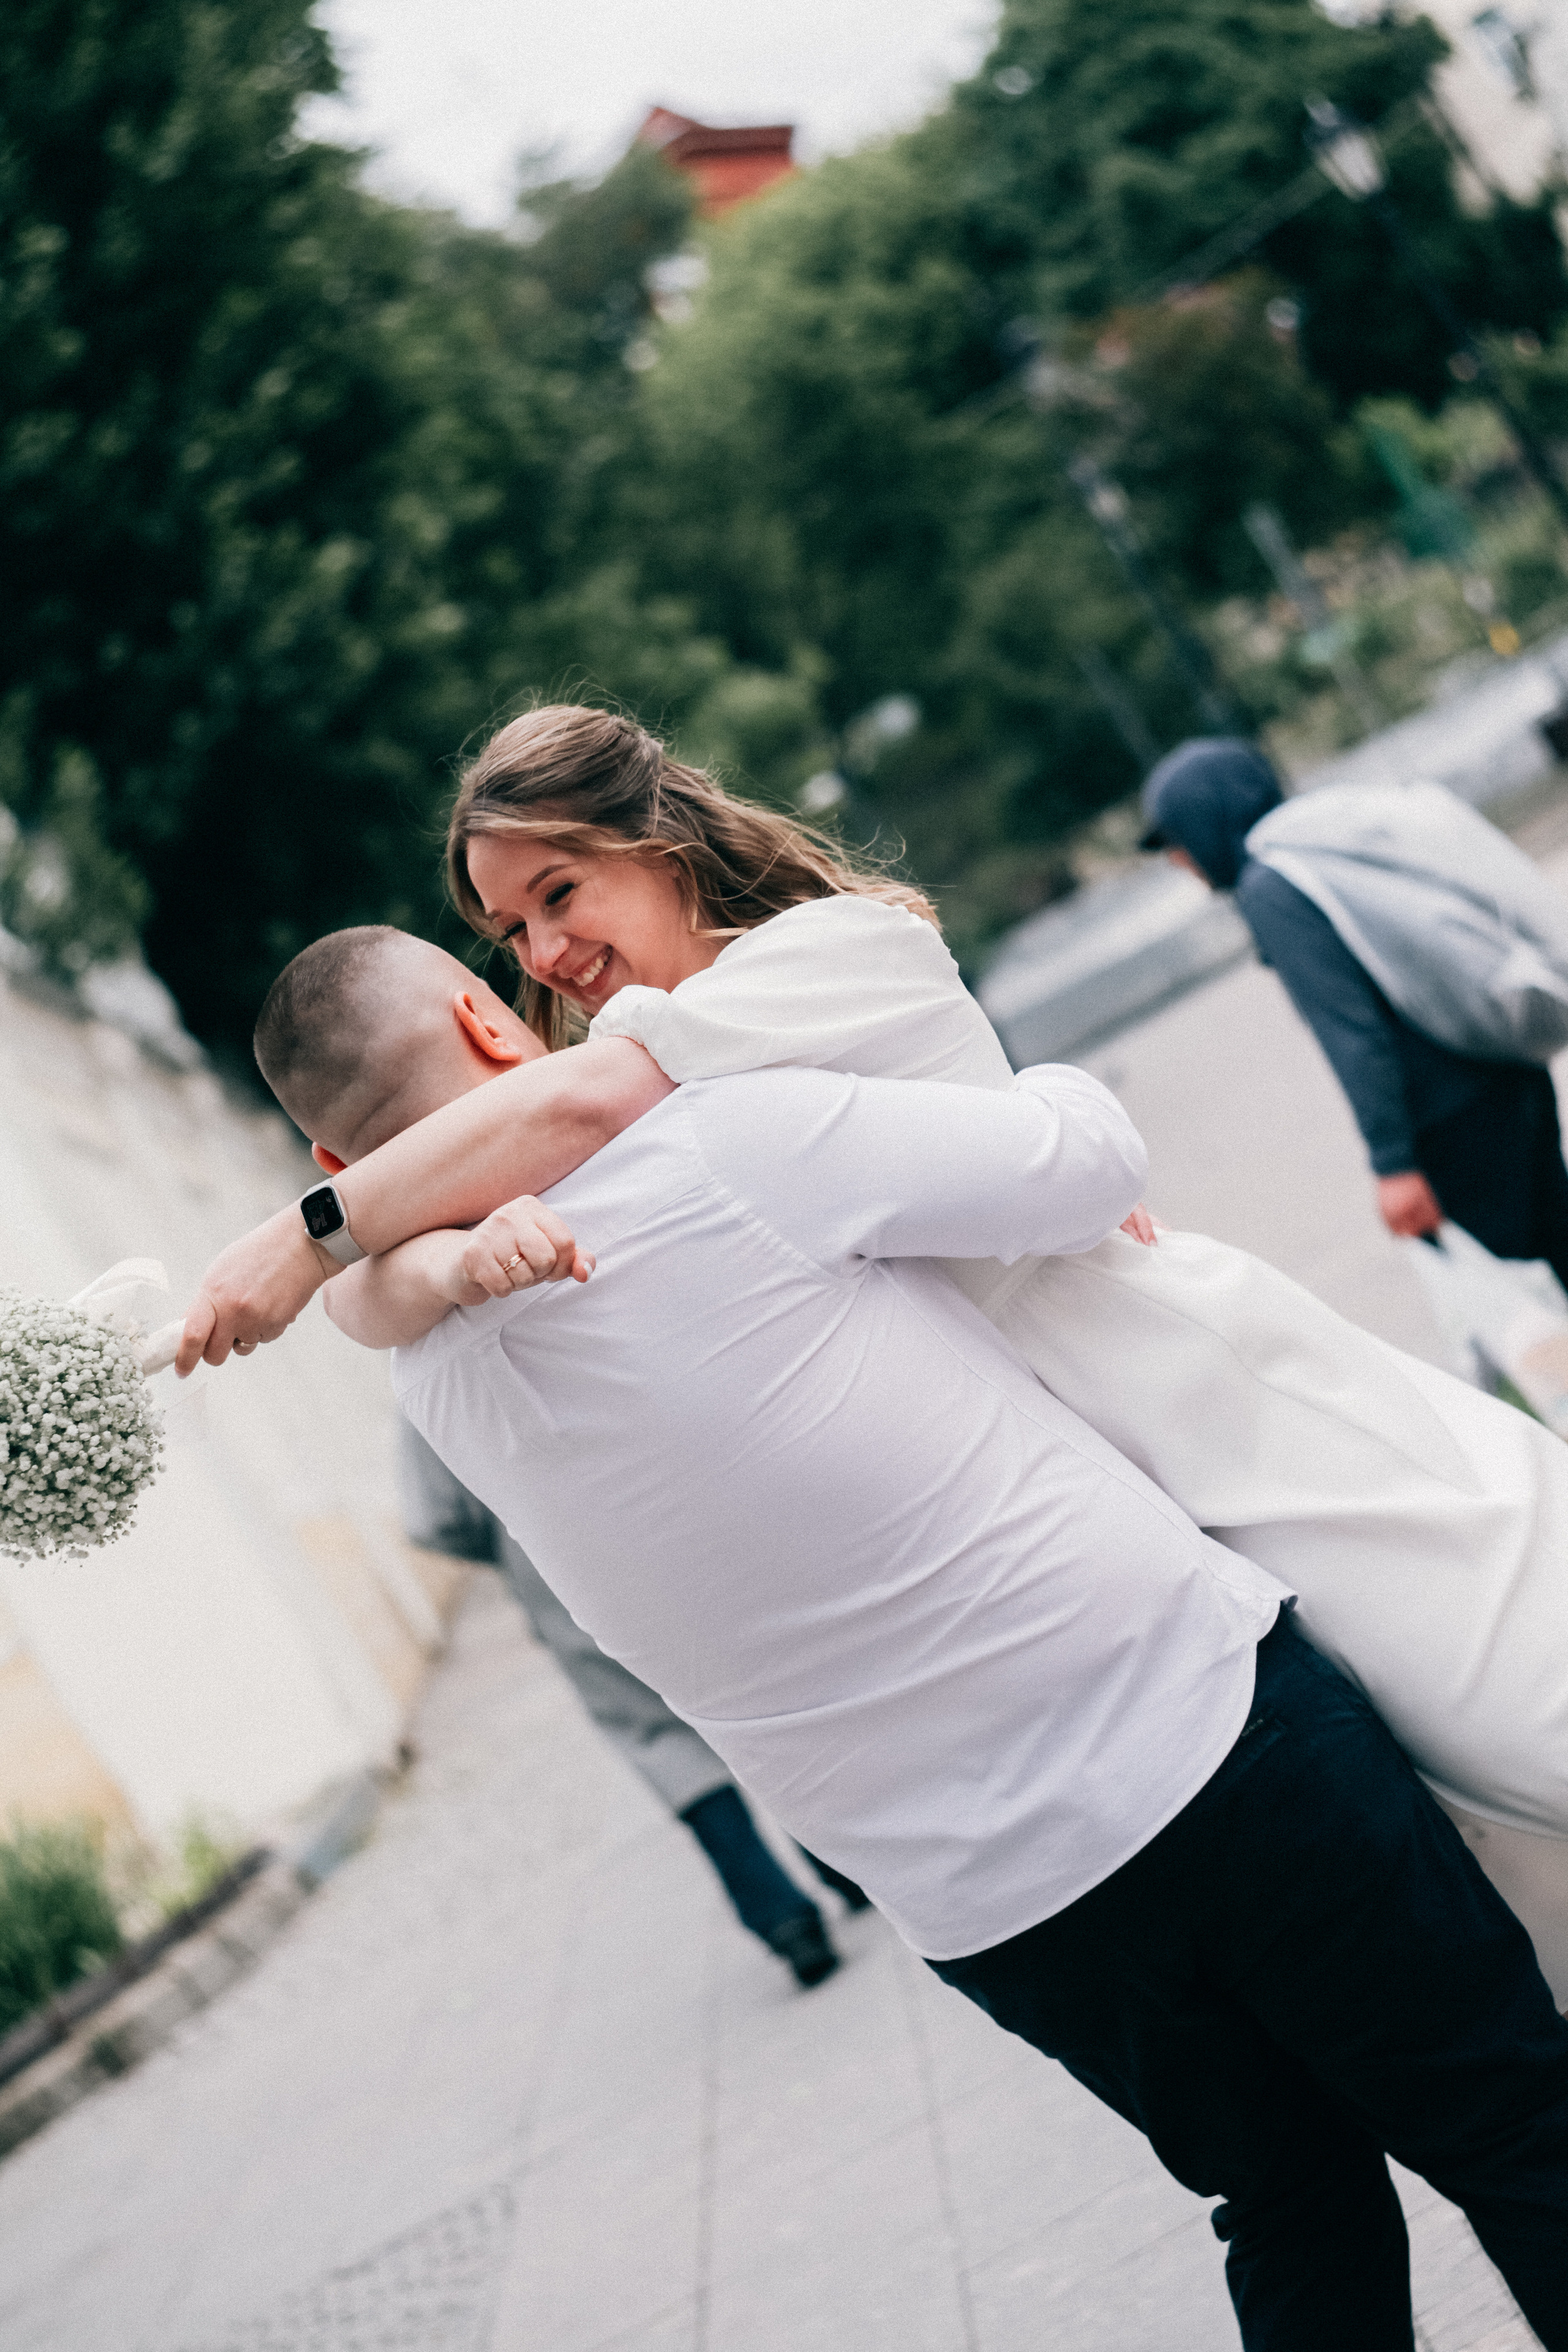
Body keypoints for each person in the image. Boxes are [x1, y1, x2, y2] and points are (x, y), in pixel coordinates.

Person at [255, 924, 1568, 2350]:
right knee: (1513, 2120)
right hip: (1201, 1739)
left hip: (990, 1902)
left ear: (340, 1171)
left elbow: (366, 1287)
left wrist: (399, 1249)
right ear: (487, 1019)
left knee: (1286, 2205)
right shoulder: (717, 1146)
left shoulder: (428, 1378)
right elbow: (1077, 1160)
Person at [198, 705, 1568, 2000]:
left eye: (560, 894)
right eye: (508, 930)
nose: (542, 953)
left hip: (1160, 1386)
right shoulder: (631, 1075)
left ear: (656, 838)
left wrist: (304, 1231)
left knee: (1501, 1700)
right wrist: (396, 1264)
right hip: (1073, 1460)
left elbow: (574, 1111)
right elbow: (394, 1293)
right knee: (1476, 1841)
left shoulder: (791, 970)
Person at [398, 1414, 864, 1988]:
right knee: (743, 1696)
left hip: (541, 1555)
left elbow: (434, 1519)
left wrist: (503, 1537)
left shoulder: (419, 1362)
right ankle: (851, 1866)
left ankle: (785, 1920)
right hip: (653, 1514)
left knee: (653, 1733)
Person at [1139, 735, 1568, 1280]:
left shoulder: (1269, 887)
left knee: (1548, 1245)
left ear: (1208, 822)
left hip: (1452, 1113)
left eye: (1176, 839)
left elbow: (1352, 1032)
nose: (1177, 860)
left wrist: (1394, 1167)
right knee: (1558, 1228)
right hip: (1498, 1060)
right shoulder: (1313, 841)